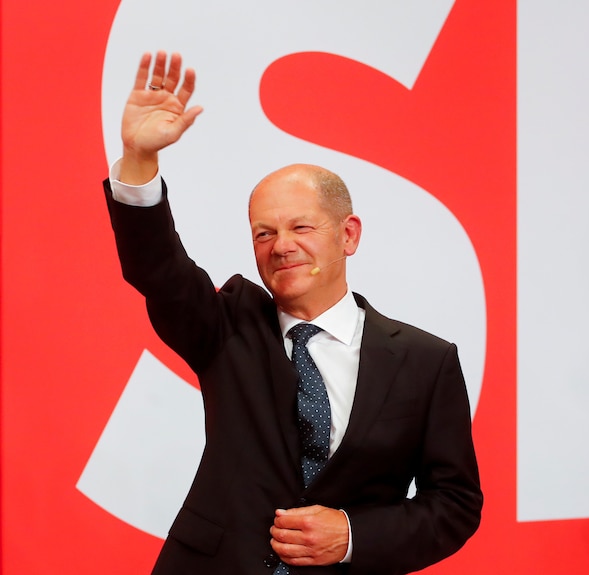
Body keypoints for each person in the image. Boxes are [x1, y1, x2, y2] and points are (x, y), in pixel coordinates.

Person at [103, 51, 482, 575]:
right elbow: (158, 270)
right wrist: (138, 160)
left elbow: (455, 505)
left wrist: (352, 535)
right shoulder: (226, 326)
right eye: (264, 232)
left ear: (348, 235)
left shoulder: (425, 361)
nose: (281, 246)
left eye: (301, 227)